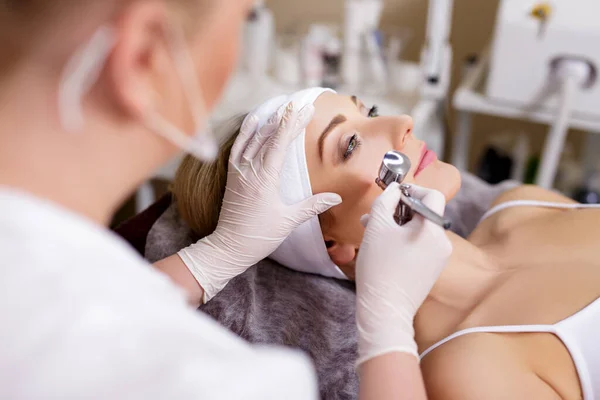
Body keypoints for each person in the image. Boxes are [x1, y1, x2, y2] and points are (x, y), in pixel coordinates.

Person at [0, 2, 450, 399]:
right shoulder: (214, 381)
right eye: (241, 19)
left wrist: (214, 259)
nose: (404, 121)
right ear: (145, 54)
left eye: (365, 110)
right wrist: (387, 326)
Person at [172, 88, 600, 399]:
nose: (401, 123)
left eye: (368, 110)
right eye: (350, 145)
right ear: (333, 243)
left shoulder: (523, 206)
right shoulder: (470, 370)